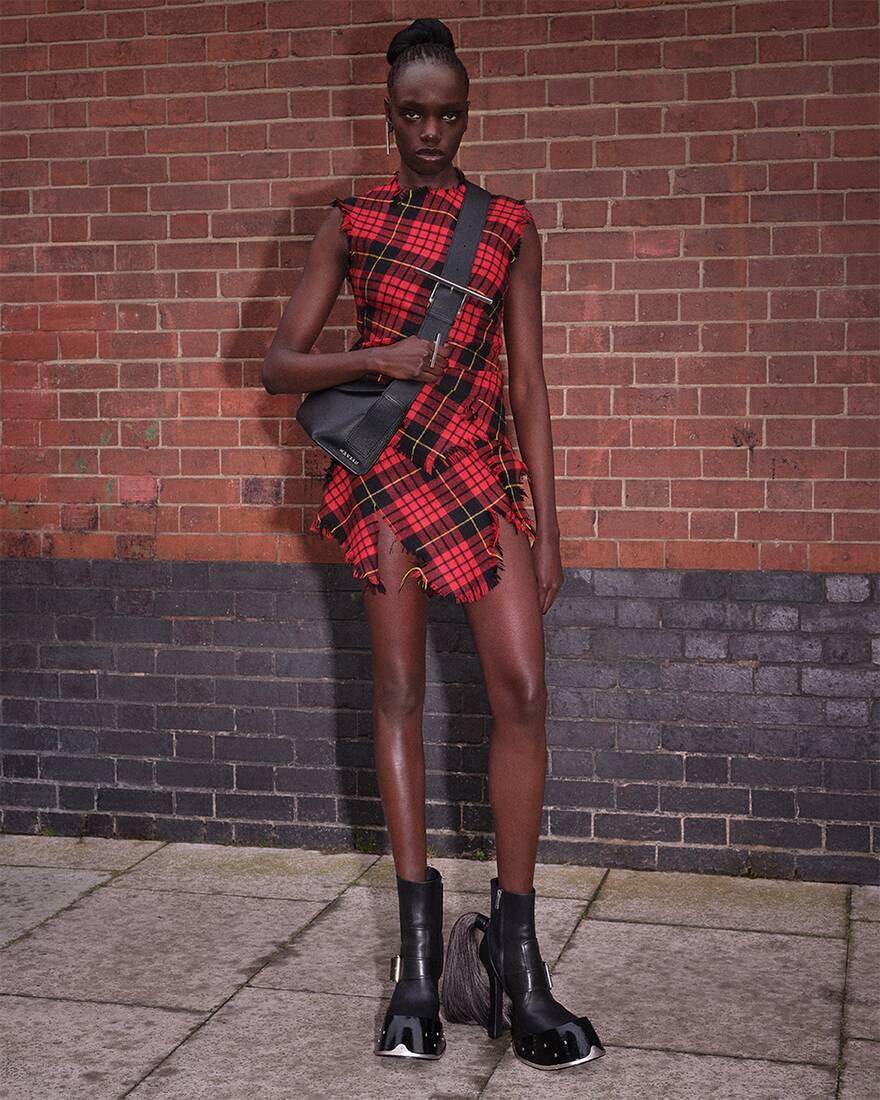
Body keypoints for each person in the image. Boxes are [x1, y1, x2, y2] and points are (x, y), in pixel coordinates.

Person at [262, 16, 604, 1074]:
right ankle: (417, 962)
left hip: (477, 469)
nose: (430, 129)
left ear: (467, 113)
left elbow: (532, 388)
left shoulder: (507, 224)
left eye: (447, 113)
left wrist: (545, 523)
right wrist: (380, 353)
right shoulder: (351, 220)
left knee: (521, 691)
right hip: (384, 474)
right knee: (399, 688)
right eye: (412, 113)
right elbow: (280, 363)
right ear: (387, 114)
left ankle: (516, 956)